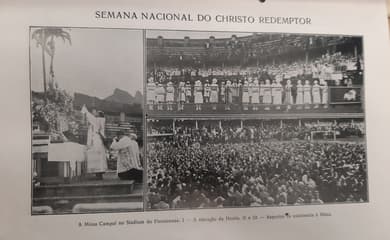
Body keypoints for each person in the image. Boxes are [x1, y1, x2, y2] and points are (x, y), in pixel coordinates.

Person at [81, 105, 107, 180]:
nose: (95, 114)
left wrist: (86, 111)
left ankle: (99, 173)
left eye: (97, 113)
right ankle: (97, 173)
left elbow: (92, 118)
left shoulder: (100, 120)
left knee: (97, 157)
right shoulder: (97, 121)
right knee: (95, 156)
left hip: (97, 139)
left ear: (100, 115)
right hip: (95, 139)